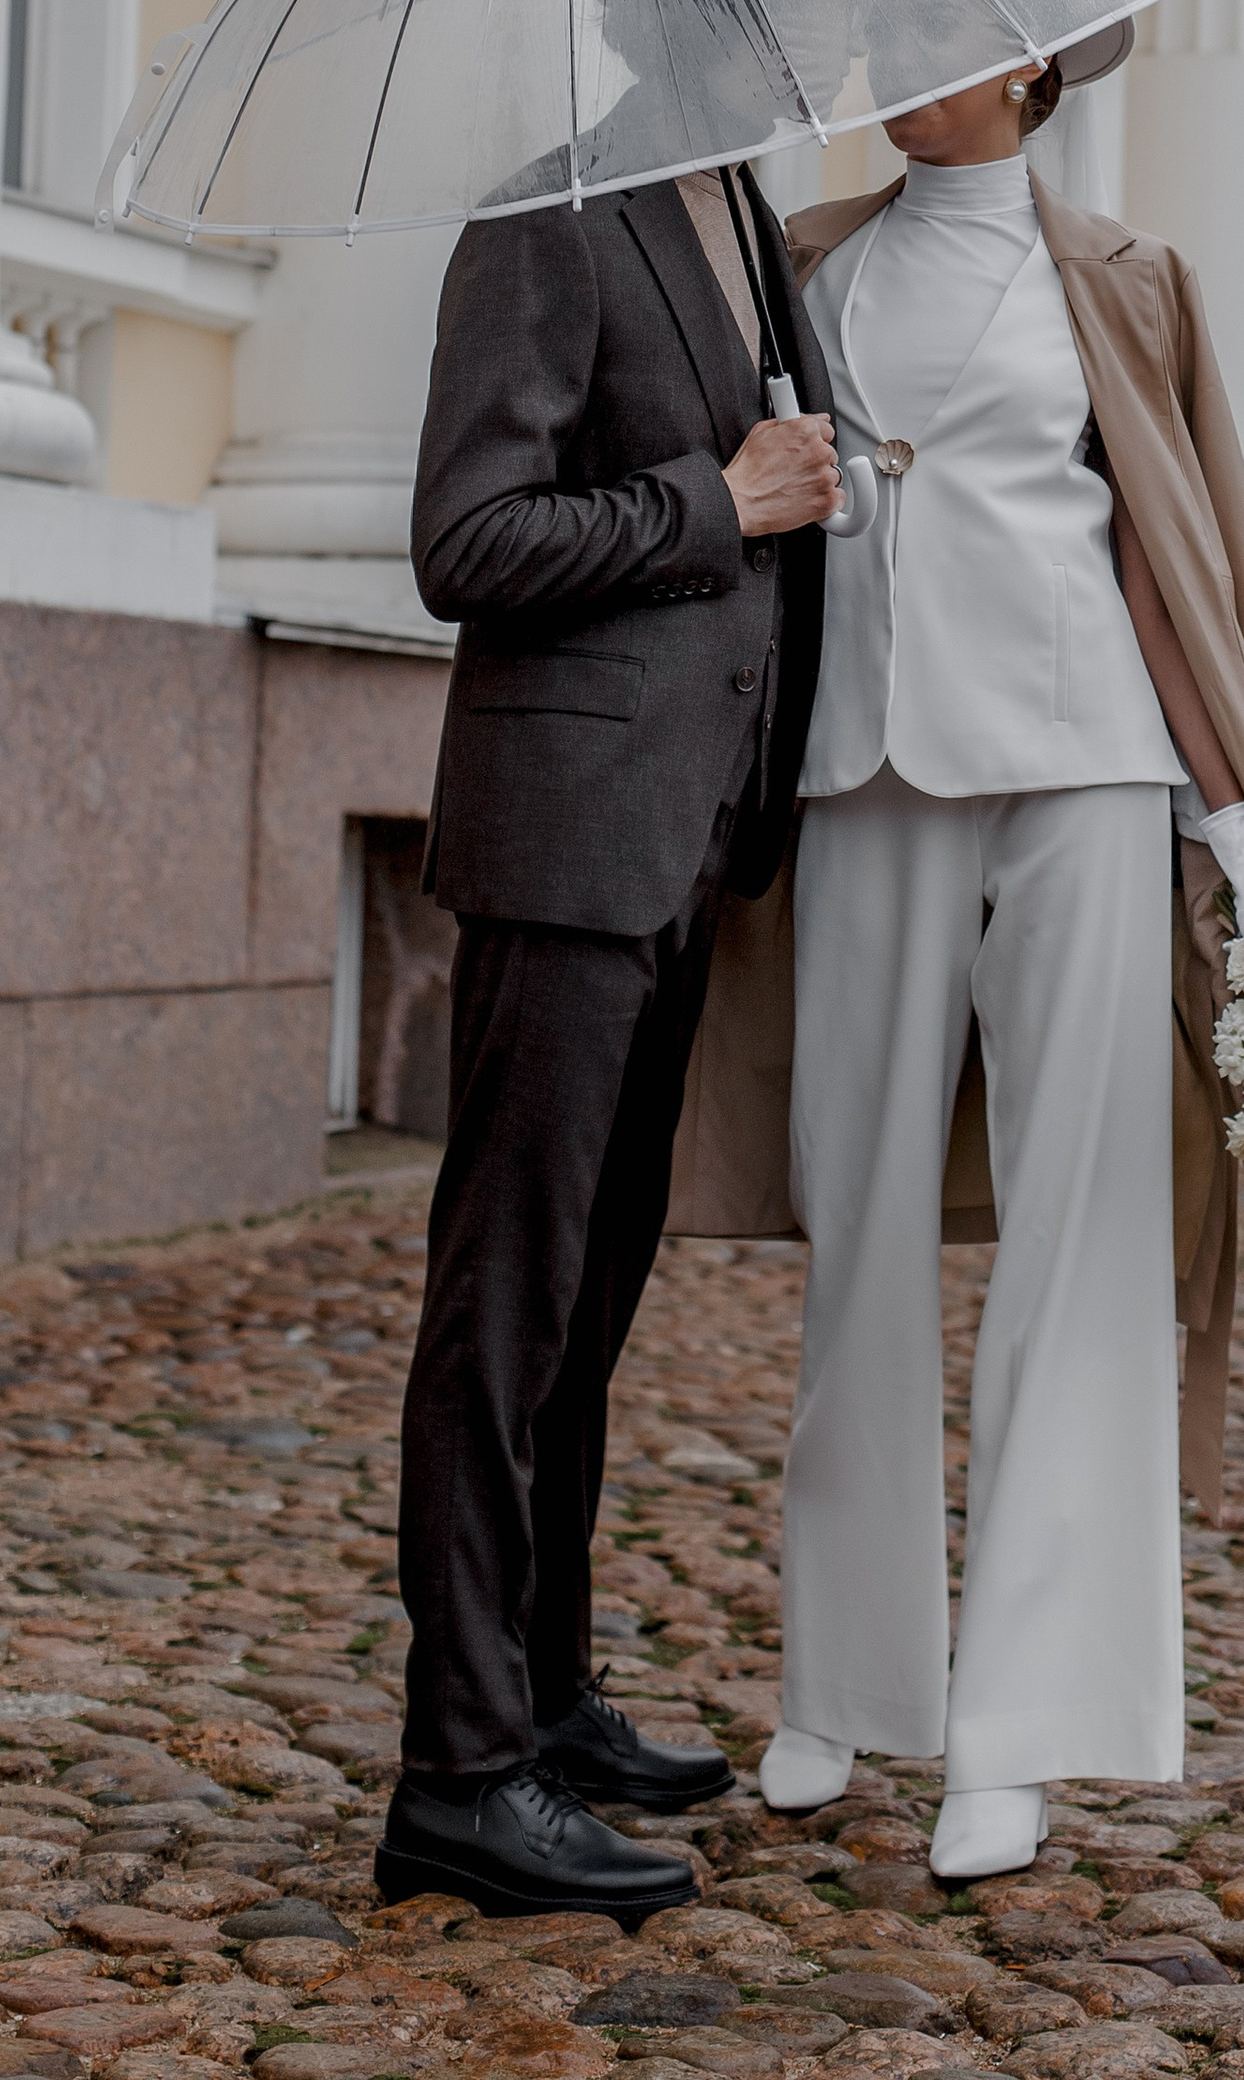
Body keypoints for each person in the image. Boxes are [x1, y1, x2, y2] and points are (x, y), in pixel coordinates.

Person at [685, 29, 1244, 1883]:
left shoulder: (1130, 278)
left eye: (947, 49)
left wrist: (1241, 843)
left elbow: (1177, 566)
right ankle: (846, 1683)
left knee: (1087, 1244)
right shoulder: (807, 256)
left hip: (1083, 768)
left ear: (1033, 76)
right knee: (862, 1233)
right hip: (864, 767)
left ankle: (1029, 1724)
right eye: (891, 46)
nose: (903, 77)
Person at [377, 159, 841, 1921]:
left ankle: (548, 1702)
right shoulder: (550, 210)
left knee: (584, 1308)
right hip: (569, 832)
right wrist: (715, 498)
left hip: (688, 837)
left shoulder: (741, 206)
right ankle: (462, 1776)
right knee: (502, 1312)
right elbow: (468, 542)